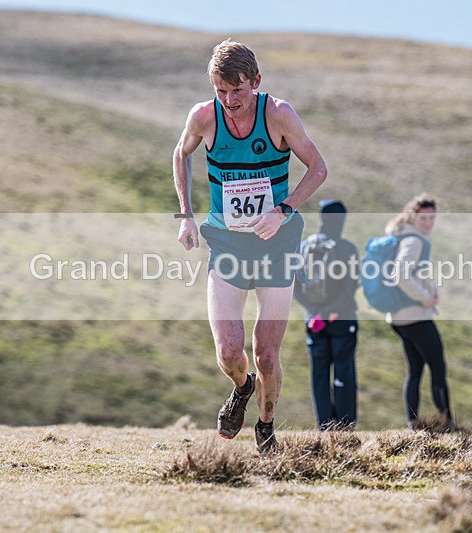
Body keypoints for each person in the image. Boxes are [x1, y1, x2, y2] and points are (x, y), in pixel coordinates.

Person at [172, 39, 327, 453]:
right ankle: (242, 389)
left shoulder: (278, 114)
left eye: (237, 90)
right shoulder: (204, 117)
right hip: (227, 242)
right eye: (220, 90)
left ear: (255, 82)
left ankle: (265, 423)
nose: (228, 100)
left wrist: (284, 208)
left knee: (267, 353)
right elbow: (181, 153)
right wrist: (186, 215)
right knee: (227, 350)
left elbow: (317, 167)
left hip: (277, 244)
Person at [384, 194, 453, 431]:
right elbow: (401, 273)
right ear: (414, 216)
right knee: (438, 367)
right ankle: (447, 421)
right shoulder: (414, 241)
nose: (428, 223)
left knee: (415, 370)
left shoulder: (400, 236)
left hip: (399, 316)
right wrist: (424, 297)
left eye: (432, 218)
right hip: (415, 316)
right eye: (424, 218)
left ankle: (413, 423)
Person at [293, 199, 358, 431]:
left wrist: (315, 312)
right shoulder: (347, 248)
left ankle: (325, 426)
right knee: (344, 369)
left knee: (319, 374)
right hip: (342, 318)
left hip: (314, 321)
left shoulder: (303, 247)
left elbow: (294, 286)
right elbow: (350, 287)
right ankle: (345, 425)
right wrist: (332, 311)